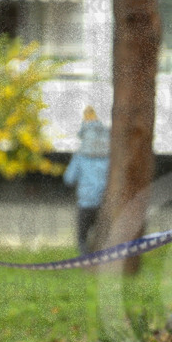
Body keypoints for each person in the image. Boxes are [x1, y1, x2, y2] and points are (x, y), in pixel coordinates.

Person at [64, 106, 110, 255]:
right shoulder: (109, 157)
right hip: (105, 203)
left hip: (86, 202)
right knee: (103, 238)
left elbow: (69, 179)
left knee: (82, 238)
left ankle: (85, 262)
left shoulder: (80, 156)